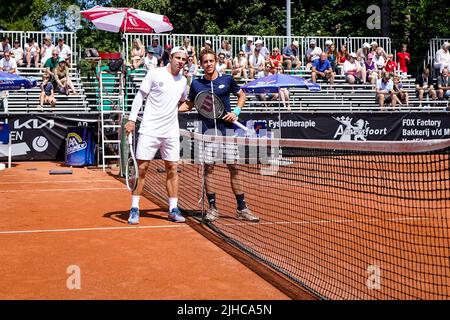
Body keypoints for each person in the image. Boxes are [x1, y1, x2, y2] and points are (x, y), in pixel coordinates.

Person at [179, 48, 260, 223]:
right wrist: (167, 109)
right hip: (207, 134)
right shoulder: (196, 84)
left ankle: (242, 208)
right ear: (201, 64)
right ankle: (213, 208)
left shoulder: (227, 79)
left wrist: (236, 111)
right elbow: (189, 105)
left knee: (235, 168)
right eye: (205, 61)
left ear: (216, 62)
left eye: (211, 61)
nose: (208, 64)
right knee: (209, 169)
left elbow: (241, 95)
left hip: (227, 132)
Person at [124, 46, 189, 224]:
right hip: (149, 130)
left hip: (171, 132)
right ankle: (135, 208)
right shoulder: (155, 73)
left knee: (172, 169)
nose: (180, 61)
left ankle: (173, 209)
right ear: (170, 57)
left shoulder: (183, 81)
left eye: (183, 59)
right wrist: (131, 120)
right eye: (177, 57)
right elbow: (140, 96)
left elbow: (183, 102)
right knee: (142, 169)